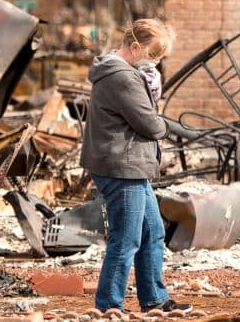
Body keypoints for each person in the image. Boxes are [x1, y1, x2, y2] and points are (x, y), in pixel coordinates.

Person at [80, 18, 191, 314]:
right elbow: (148, 123)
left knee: (152, 231)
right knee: (126, 238)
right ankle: (109, 307)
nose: (155, 63)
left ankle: (153, 298)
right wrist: (165, 125)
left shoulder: (118, 71)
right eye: (153, 55)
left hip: (128, 165)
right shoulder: (123, 78)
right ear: (135, 47)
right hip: (121, 166)